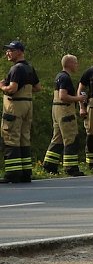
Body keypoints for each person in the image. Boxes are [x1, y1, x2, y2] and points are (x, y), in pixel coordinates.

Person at [1, 40, 42, 184]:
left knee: (11, 136)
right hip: (27, 105)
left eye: (10, 50)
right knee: (24, 138)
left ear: (19, 52)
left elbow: (12, 88)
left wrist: (2, 87)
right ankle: (25, 173)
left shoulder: (16, 68)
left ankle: (12, 173)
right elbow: (38, 87)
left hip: (15, 106)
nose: (7, 53)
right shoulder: (29, 67)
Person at [43, 55, 88, 176]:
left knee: (57, 138)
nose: (77, 65)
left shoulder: (59, 76)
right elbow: (63, 96)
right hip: (65, 110)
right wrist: (79, 98)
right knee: (71, 137)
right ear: (70, 64)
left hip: (56, 110)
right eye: (76, 63)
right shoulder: (65, 78)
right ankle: (70, 167)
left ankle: (49, 165)